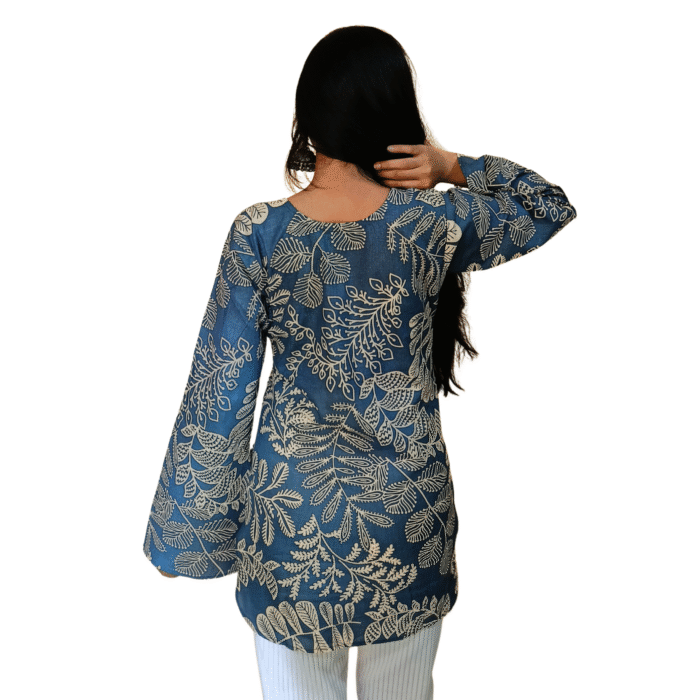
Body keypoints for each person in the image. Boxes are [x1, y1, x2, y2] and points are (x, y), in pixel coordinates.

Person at [142, 25, 577, 700]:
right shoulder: (433, 224)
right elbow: (547, 205)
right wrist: (450, 165)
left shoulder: (259, 232)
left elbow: (220, 387)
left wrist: (189, 533)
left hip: (290, 532)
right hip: (406, 525)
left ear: (306, 120)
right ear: (393, 118)